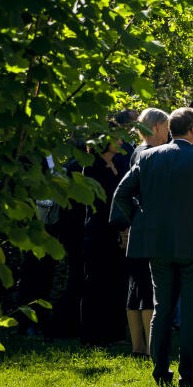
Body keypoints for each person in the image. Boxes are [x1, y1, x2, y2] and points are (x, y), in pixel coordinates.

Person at [110, 107, 193, 387]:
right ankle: (188, 374)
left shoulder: (146, 156)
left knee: (162, 307)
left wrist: (140, 221)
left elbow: (121, 194)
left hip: (158, 244)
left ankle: (159, 370)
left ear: (171, 129)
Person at [123, 107, 169, 358]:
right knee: (150, 287)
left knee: (135, 286)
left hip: (137, 223)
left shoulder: (136, 151)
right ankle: (151, 347)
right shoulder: (154, 153)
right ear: (158, 127)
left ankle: (137, 346)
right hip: (153, 225)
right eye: (167, 128)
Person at [80, 130, 130, 347]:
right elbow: (99, 204)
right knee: (96, 284)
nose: (121, 141)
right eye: (116, 138)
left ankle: (114, 332)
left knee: (117, 282)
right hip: (99, 231)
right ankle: (93, 336)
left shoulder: (119, 162)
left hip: (118, 229)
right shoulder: (91, 167)